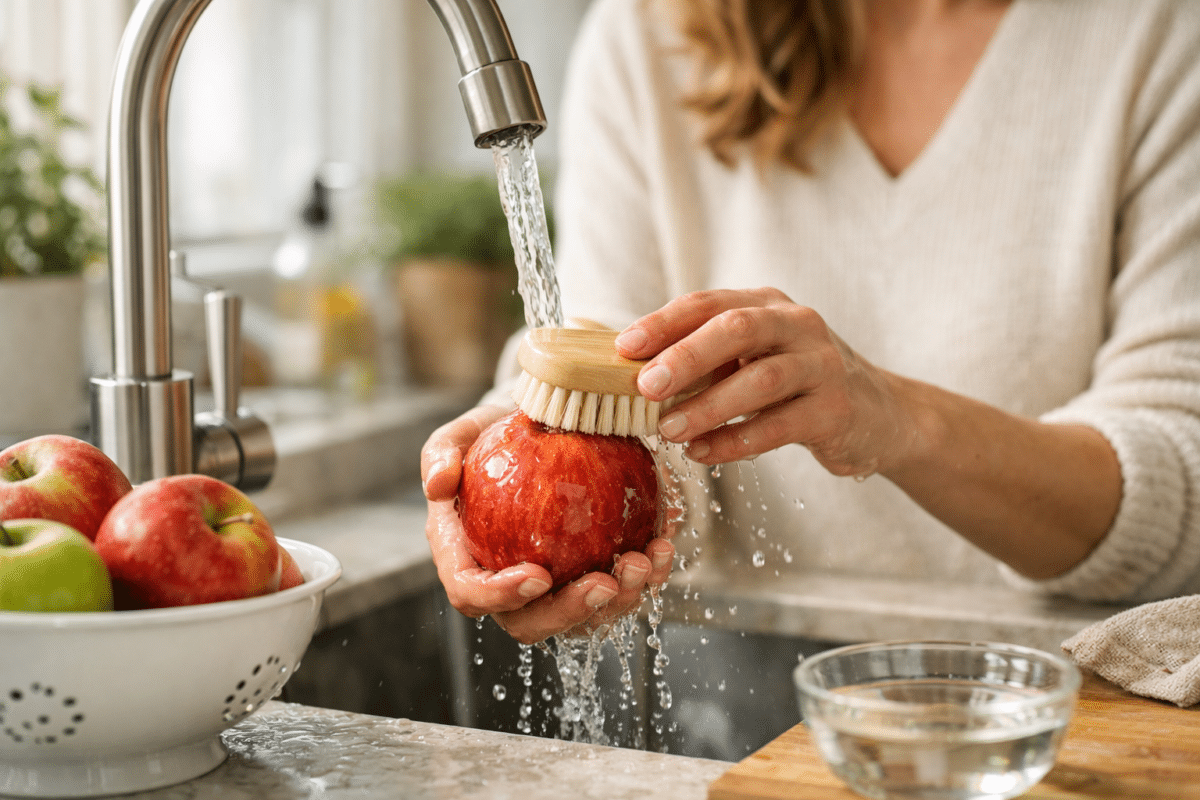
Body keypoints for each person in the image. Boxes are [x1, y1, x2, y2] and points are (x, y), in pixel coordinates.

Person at [421, 0, 1200, 645]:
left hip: (1074, 700)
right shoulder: (647, 35)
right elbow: (619, 372)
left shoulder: (1159, 35)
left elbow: (1183, 477)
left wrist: (899, 421)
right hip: (753, 709)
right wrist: (542, 474)